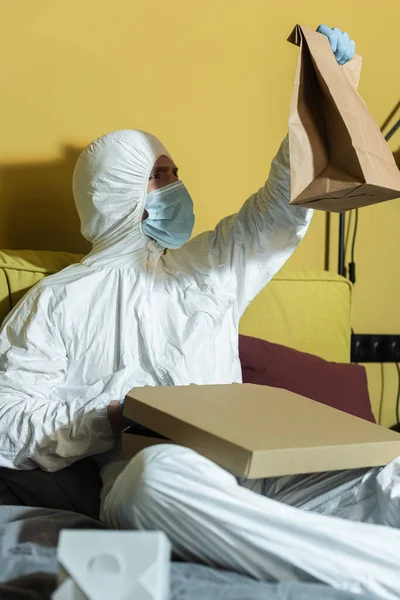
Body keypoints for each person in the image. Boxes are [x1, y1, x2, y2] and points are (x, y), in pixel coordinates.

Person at [0, 24, 398, 599]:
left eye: (175, 172)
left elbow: (275, 216)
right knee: (154, 481)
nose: (177, 184)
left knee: (389, 477)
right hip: (172, 485)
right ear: (118, 194)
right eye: (160, 174)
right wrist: (112, 411)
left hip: (265, 477)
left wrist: (317, 93)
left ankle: (332, 555)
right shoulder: (58, 303)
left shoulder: (206, 269)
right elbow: (7, 422)